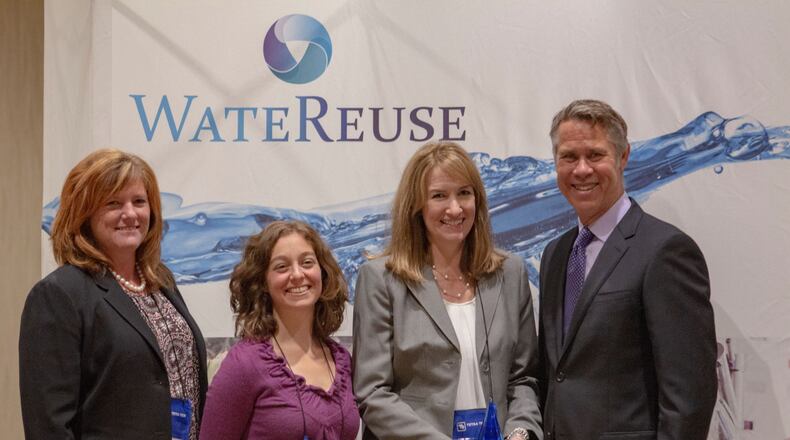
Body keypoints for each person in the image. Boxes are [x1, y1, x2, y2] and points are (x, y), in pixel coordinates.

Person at [538, 99, 717, 440]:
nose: (581, 170)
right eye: (568, 157)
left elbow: (689, 397)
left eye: (595, 155)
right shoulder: (555, 254)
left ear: (623, 158)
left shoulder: (665, 251)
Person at [353, 141, 542, 439]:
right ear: (416, 206)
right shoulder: (381, 280)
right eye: (439, 196)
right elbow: (373, 393)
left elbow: (524, 378)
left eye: (464, 193)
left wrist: (520, 431)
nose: (455, 208)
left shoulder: (511, 273)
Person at [19, 149, 207, 440]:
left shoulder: (162, 281)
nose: (130, 214)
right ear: (84, 213)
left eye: (139, 202)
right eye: (113, 203)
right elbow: (48, 426)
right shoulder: (59, 295)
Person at [200, 220, 359, 439]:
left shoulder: (342, 361)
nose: (297, 274)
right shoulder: (244, 365)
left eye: (307, 262)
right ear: (263, 282)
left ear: (322, 272)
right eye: (281, 266)